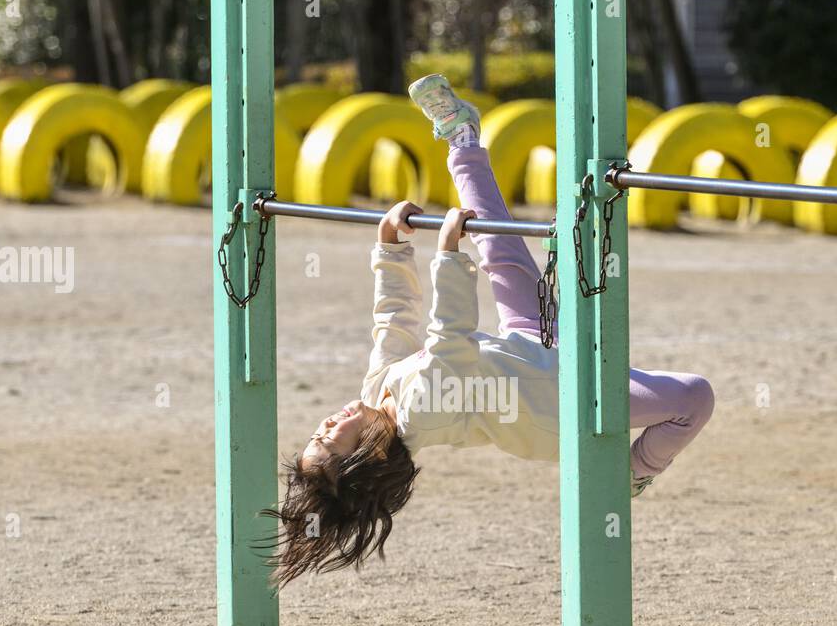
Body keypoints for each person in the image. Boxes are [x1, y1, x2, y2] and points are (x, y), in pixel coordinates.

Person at [265, 75, 714, 585]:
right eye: (331, 441)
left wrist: (390, 247)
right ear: (365, 456)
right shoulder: (419, 414)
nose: (324, 424)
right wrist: (448, 257)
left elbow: (392, 319)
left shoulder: (379, 391)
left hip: (530, 346)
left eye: (317, 432)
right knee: (694, 397)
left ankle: (461, 137)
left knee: (497, 241)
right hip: (564, 406)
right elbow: (449, 342)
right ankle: (632, 475)